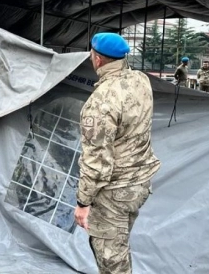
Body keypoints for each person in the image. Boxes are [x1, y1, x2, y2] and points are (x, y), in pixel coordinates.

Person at [74, 32, 161, 274]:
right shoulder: (140, 80)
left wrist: (83, 202)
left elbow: (97, 162)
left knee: (112, 259)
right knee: (119, 244)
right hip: (140, 183)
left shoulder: (100, 101)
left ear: (97, 59)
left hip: (114, 192)